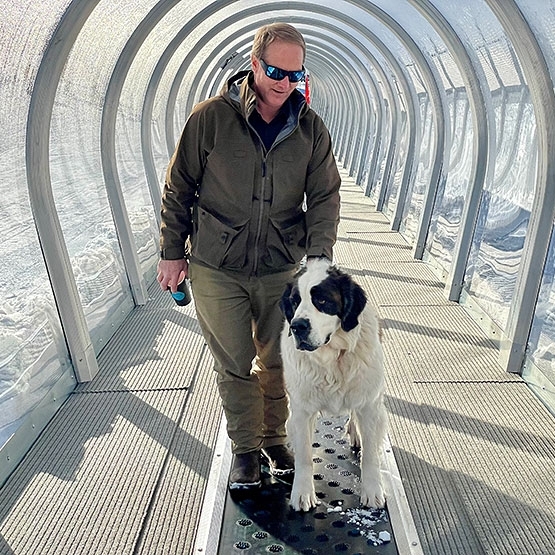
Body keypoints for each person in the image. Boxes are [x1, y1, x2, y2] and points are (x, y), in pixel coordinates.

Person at [157, 22, 341, 490]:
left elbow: (324, 197)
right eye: (276, 71)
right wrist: (171, 252)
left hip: (280, 264)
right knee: (234, 362)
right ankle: (245, 449)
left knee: (281, 358)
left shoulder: (310, 130)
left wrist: (318, 263)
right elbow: (179, 187)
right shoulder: (212, 118)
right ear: (254, 63)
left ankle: (275, 438)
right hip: (217, 265)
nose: (285, 82)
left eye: (295, 74)